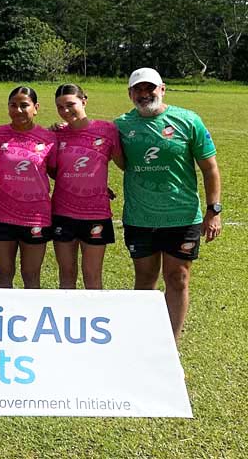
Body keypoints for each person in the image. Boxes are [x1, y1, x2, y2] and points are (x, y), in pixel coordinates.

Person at [116, 67, 221, 341]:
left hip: (182, 216)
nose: (144, 94)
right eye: (138, 89)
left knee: (178, 279)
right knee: (145, 280)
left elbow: (210, 168)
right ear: (130, 93)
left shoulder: (188, 120)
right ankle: (144, 341)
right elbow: (92, 145)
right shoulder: (121, 125)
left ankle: (170, 346)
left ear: (162, 89)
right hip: (140, 217)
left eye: (150, 88)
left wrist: (214, 210)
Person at [50, 83, 124, 289]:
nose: (65, 111)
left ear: (84, 101)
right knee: (66, 274)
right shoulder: (56, 135)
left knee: (92, 275)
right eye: (60, 107)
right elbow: (54, 171)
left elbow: (124, 164)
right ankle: (67, 320)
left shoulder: (107, 130)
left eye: (70, 104)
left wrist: (98, 183)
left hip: (96, 214)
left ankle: (94, 320)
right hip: (63, 212)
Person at [0, 86, 56, 289]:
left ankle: (32, 320)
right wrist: (5, 182)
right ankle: (3, 320)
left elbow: (54, 171)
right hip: (1, 213)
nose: (18, 110)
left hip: (36, 216)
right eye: (13, 105)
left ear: (36, 107)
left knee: (31, 276)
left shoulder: (49, 137)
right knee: (4, 275)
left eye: (24, 105)